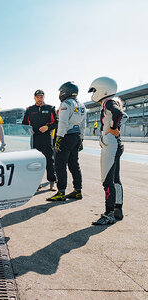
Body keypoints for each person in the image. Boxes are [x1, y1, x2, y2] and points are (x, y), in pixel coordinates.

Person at [88, 77, 128, 225]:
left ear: (102, 89)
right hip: (116, 144)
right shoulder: (113, 101)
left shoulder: (108, 102)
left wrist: (113, 128)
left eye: (94, 90)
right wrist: (115, 127)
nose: (93, 93)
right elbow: (123, 115)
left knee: (107, 181)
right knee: (115, 179)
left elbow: (118, 114)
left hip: (111, 146)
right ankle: (117, 209)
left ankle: (108, 214)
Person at [47, 82, 86, 201]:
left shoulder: (65, 104)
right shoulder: (82, 105)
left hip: (65, 137)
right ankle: (78, 190)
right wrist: (82, 139)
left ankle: (61, 192)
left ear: (65, 92)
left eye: (61, 91)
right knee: (74, 165)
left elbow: (63, 123)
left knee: (60, 165)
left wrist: (58, 139)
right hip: (77, 136)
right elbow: (83, 125)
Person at [22, 90, 58, 190]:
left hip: (46, 137)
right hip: (34, 138)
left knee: (49, 160)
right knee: (34, 161)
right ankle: (36, 183)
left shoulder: (50, 108)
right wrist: (29, 130)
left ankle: (52, 182)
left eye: (41, 96)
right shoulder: (29, 109)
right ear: (34, 98)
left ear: (44, 97)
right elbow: (24, 123)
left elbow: (56, 122)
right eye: (38, 97)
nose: (40, 98)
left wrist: (47, 128)